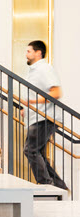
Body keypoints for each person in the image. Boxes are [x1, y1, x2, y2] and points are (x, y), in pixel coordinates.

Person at [20, 40, 67, 189]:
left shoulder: (44, 69)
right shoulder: (34, 71)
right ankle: (59, 186)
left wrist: (33, 102)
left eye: (29, 51)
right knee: (37, 151)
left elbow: (56, 92)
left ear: (38, 53)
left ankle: (46, 184)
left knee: (30, 150)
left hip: (45, 118)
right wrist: (26, 109)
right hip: (38, 117)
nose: (26, 54)